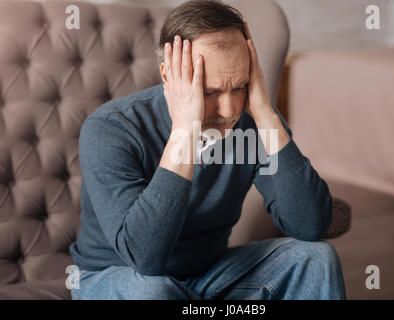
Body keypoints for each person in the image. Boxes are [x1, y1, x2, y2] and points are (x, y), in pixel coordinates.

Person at [69, 0, 346, 300]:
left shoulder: (251, 119)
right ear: (168, 76)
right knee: (152, 290)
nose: (228, 110)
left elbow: (310, 225)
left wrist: (265, 112)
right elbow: (146, 258)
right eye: (210, 92)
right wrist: (185, 132)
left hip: (210, 274)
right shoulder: (111, 129)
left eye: (239, 86)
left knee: (316, 257)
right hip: (118, 278)